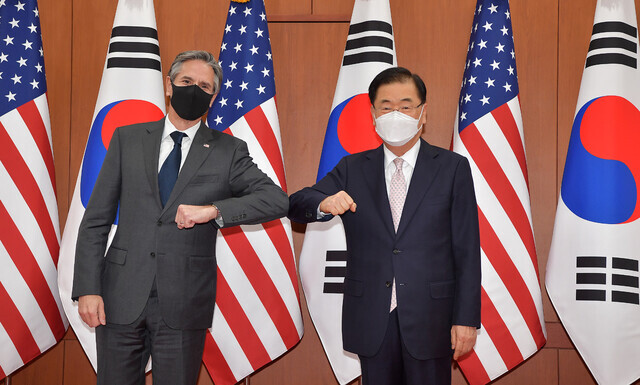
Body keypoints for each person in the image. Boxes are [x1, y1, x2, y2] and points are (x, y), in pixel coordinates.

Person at [72, 50, 289, 385]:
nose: (194, 89)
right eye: (187, 81)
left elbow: (275, 200)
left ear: (213, 97)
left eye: (204, 86)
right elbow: (96, 219)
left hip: (184, 301)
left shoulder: (228, 151)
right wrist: (87, 288)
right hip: (120, 296)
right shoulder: (127, 139)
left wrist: (214, 211)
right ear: (169, 85)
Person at [288, 67, 481, 385]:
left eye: (406, 106)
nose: (396, 114)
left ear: (423, 112)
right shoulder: (352, 168)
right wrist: (323, 203)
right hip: (371, 315)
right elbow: (297, 203)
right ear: (373, 113)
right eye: (386, 106)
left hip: (432, 316)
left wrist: (466, 319)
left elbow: (467, 248)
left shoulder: (451, 168)